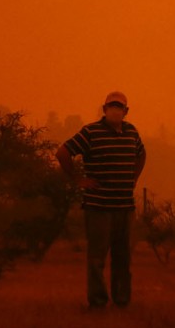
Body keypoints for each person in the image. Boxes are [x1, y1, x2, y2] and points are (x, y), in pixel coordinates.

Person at [55, 91, 147, 309]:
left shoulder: (131, 132)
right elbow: (63, 152)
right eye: (111, 106)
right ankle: (97, 302)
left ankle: (122, 300)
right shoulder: (90, 132)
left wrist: (134, 177)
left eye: (119, 106)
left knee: (122, 258)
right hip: (99, 207)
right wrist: (78, 180)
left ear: (126, 111)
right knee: (97, 259)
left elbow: (142, 154)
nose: (115, 110)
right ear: (104, 109)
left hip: (125, 207)